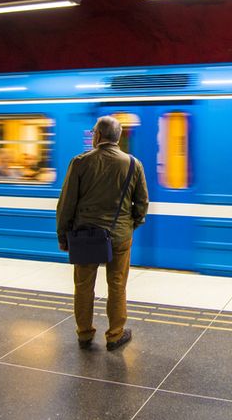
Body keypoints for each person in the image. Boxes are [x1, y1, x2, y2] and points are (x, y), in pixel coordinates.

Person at [56, 116, 149, 351]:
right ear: (118, 138)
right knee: (117, 284)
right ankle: (115, 335)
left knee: (84, 285)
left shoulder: (80, 162)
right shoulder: (133, 164)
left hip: (85, 236)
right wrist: (129, 226)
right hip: (120, 237)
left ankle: (85, 334)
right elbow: (142, 204)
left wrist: (63, 236)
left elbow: (66, 203)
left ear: (97, 136)